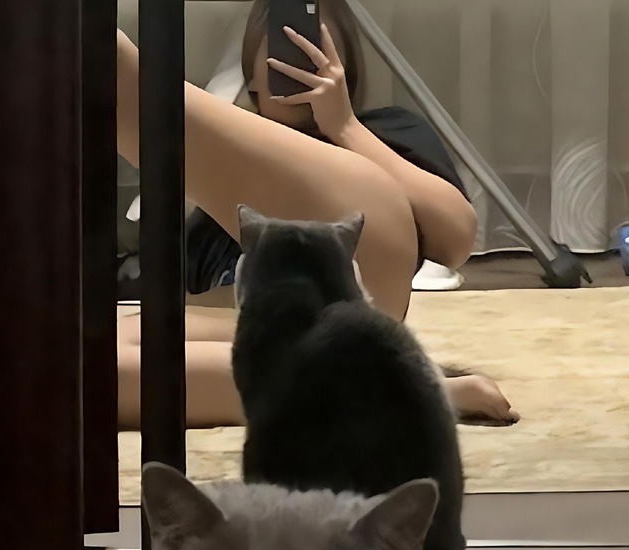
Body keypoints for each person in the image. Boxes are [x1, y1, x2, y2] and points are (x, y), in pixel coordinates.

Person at [116, 0, 518, 428]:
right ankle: (388, 385)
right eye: (283, 49)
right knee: (85, 365)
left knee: (117, 82)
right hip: (262, 325)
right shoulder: (216, 175)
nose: (297, 62)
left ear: (345, 65)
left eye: (311, 47)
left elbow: (456, 239)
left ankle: (105, 61)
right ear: (252, 76)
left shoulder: (386, 130)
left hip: (356, 278)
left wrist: (345, 127)